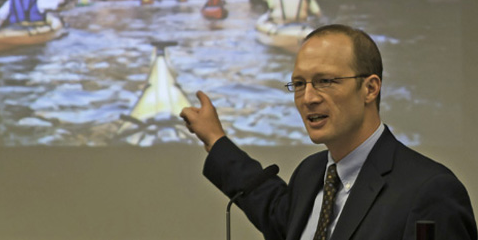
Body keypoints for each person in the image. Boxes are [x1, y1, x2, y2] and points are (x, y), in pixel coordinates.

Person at [180, 24, 476, 240]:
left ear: (370, 88)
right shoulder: (311, 174)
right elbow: (271, 208)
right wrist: (216, 140)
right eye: (299, 84)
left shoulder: (429, 191)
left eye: (325, 81)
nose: (308, 98)